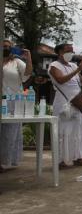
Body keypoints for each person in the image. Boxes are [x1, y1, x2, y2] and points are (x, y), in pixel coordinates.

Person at [48, 43, 82, 168]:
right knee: (63, 131)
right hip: (64, 103)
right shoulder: (54, 66)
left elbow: (79, 82)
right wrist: (78, 69)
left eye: (72, 51)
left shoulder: (72, 65)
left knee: (79, 129)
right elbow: (60, 80)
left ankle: (78, 157)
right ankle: (61, 160)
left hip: (77, 100)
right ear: (60, 52)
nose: (71, 53)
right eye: (68, 51)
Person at [0, 40, 32, 172]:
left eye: (8, 47)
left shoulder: (16, 62)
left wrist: (28, 58)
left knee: (10, 133)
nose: (5, 49)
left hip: (13, 101)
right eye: (3, 47)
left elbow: (27, 74)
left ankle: (5, 162)